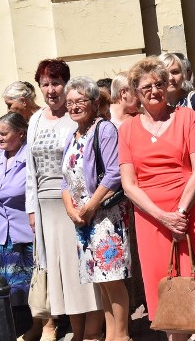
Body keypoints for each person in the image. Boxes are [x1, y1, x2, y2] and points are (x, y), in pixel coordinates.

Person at [119, 58, 195, 341]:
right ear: (135, 91)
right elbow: (129, 185)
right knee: (169, 296)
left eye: (160, 84)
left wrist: (178, 213)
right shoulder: (127, 130)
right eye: (147, 87)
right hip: (152, 220)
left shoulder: (187, 118)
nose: (155, 90)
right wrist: (162, 216)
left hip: (193, 212)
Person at [26, 59, 101, 339]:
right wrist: (31, 209)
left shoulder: (76, 117)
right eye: (45, 84)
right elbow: (29, 171)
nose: (51, 89)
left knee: (80, 269)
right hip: (46, 210)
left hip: (73, 204)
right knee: (60, 276)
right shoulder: (35, 119)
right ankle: (76, 331)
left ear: (67, 84)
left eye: (56, 82)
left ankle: (92, 331)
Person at [62, 77, 131, 341]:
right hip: (83, 219)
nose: (74, 106)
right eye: (70, 102)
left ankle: (121, 336)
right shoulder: (73, 136)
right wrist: (71, 209)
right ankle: (111, 334)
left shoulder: (104, 129)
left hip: (104, 216)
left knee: (113, 279)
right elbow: (64, 179)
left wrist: (90, 206)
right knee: (101, 282)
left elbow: (114, 173)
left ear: (93, 103)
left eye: (80, 101)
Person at [0, 112, 53, 341]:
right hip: (6, 234)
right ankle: (29, 327)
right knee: (16, 289)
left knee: (38, 283)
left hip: (28, 232)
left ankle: (47, 326)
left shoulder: (30, 154)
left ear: (21, 133)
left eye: (4, 133)